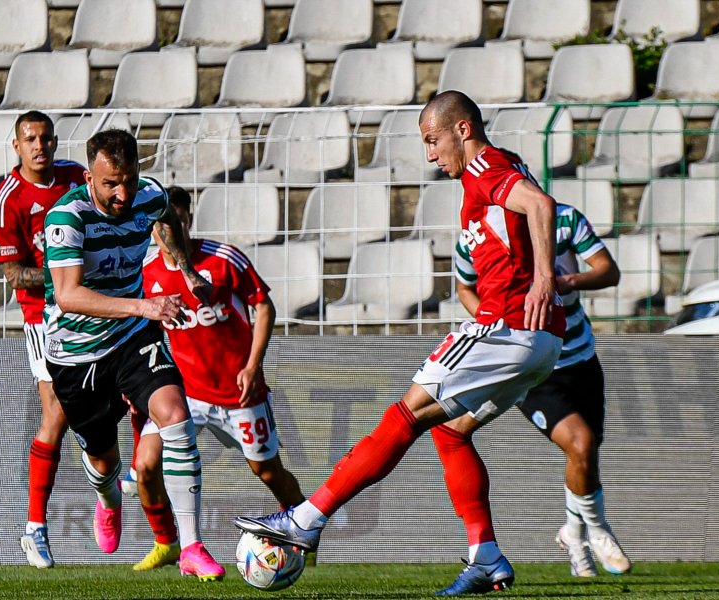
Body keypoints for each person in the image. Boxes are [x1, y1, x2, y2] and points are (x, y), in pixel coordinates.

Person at [234, 90, 566, 596]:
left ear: (462, 130)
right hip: (541, 338)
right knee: (450, 431)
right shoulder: (500, 168)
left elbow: (542, 205)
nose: (430, 155)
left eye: (432, 141)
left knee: (404, 414)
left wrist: (543, 278)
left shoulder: (486, 167)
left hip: (509, 327)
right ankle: (485, 555)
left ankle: (305, 519)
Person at [43, 129, 225, 581]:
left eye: (128, 180)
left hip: (131, 337)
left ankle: (192, 547)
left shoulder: (147, 196)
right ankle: (108, 499)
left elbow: (167, 219)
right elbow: (68, 295)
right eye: (110, 184)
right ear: (89, 177)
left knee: (175, 414)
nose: (122, 193)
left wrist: (187, 270)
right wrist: (146, 304)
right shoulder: (67, 217)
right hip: (77, 352)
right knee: (104, 463)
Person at [439, 201, 632, 577]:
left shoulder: (564, 219)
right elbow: (464, 286)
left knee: (585, 456)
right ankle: (598, 530)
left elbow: (609, 272)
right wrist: (492, 326)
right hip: (533, 364)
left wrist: (568, 282)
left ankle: (573, 534)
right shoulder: (476, 234)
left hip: (580, 353)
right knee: (581, 444)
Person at [121, 186, 306, 572]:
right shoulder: (147, 273)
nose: (168, 231)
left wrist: (253, 366)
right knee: (146, 465)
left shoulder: (223, 259)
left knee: (267, 470)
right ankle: (168, 542)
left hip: (238, 393)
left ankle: (304, 527)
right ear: (152, 229)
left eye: (176, 221)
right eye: (159, 225)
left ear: (186, 221)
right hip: (181, 394)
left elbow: (263, 306)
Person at [0, 111, 87, 569]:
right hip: (44, 316)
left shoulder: (76, 178)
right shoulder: (6, 201)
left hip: (92, 302)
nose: (39, 146)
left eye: (46, 138)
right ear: (16, 146)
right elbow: (14, 276)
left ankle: (109, 479)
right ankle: (35, 528)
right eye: (30, 139)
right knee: (57, 412)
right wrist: (61, 276)